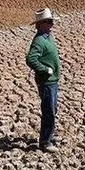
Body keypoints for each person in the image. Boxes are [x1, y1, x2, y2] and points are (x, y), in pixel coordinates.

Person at [26, 8, 61, 153]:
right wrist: (44, 69)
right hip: (47, 82)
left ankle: (50, 134)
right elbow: (31, 59)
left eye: (51, 21)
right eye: (49, 21)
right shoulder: (39, 41)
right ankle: (45, 142)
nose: (52, 24)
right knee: (48, 111)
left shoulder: (47, 37)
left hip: (52, 81)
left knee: (53, 109)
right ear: (40, 24)